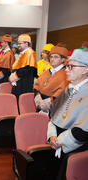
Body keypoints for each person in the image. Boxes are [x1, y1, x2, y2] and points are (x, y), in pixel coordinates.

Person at [47, 49, 88, 179]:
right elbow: (53, 115)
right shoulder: (68, 89)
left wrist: (60, 141)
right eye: (67, 66)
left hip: (75, 148)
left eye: (71, 66)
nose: (66, 69)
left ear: (85, 69)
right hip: (56, 144)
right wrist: (52, 136)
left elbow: (83, 131)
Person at [34, 46, 69, 113]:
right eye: (51, 57)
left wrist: (46, 103)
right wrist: (38, 100)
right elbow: (36, 86)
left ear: (63, 59)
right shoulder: (46, 72)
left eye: (56, 57)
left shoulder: (66, 74)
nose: (52, 59)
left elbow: (61, 93)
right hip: (39, 105)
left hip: (54, 109)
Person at [9, 34, 37, 99]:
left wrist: (15, 76)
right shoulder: (24, 53)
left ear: (26, 44)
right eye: (18, 43)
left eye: (20, 43)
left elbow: (28, 69)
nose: (18, 45)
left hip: (24, 84)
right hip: (19, 83)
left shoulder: (30, 53)